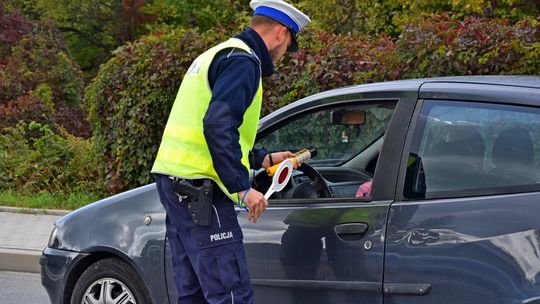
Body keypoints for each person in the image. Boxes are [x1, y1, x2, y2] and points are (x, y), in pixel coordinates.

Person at [151, 1, 311, 303]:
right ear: (280, 33)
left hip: (176, 185)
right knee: (231, 293)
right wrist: (242, 188)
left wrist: (262, 159)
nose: (284, 55)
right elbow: (217, 127)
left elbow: (217, 131)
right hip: (202, 192)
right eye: (288, 44)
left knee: (193, 292)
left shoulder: (218, 54)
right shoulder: (244, 62)